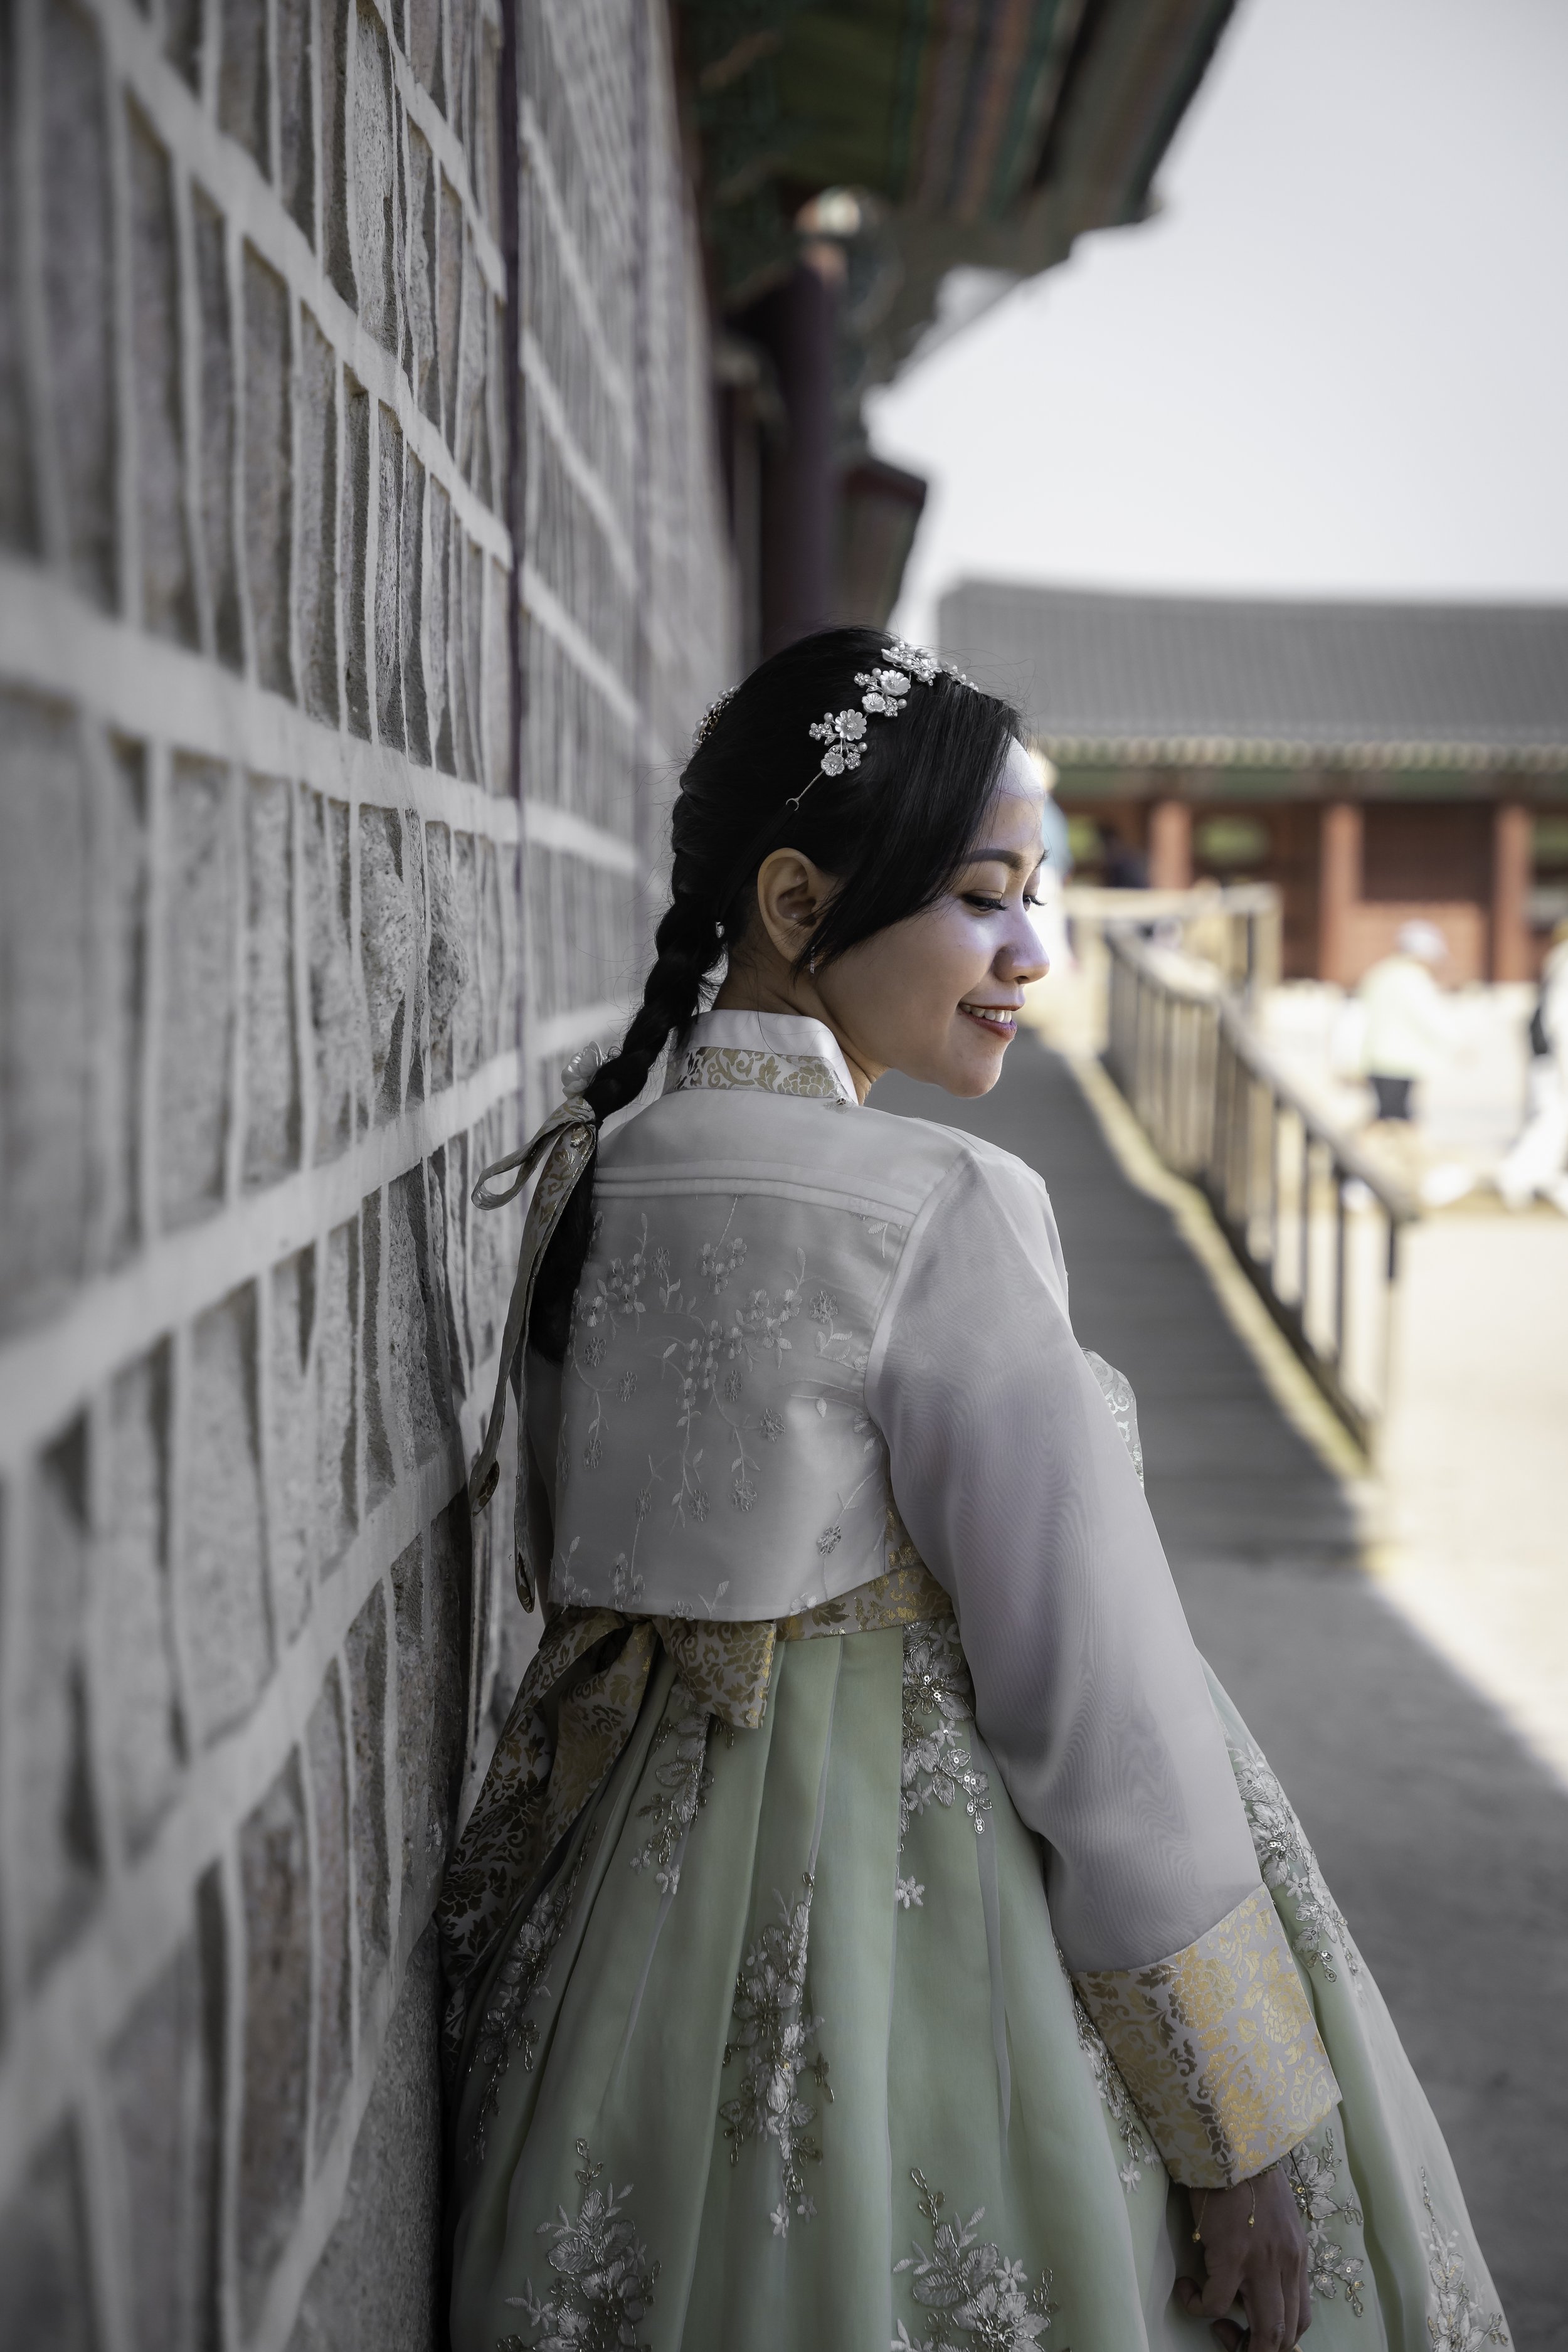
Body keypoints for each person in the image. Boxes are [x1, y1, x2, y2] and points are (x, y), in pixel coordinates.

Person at [442, 630, 1506, 2352]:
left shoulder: (597, 1169)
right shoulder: (939, 1202)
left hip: (621, 1925)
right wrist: (1229, 2132)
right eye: (986, 898)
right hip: (907, 1907)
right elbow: (1091, 1687)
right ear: (796, 900)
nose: (1031, 954)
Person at [1498, 916, 1568, 1213]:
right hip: (1557, 1060)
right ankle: (1517, 1176)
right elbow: (1560, 1019)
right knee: (1551, 1120)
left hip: (1551, 1057)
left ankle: (1546, 1180)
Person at [1357, 921, 1455, 1128]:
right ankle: (1387, 1157)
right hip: (1399, 1059)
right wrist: (1456, 1041)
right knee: (1396, 1118)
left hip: (1377, 1056)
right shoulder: (1413, 978)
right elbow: (1429, 1016)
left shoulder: (1382, 972)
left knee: (1387, 1112)